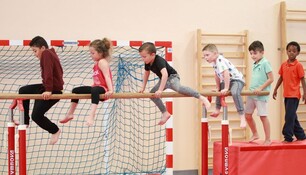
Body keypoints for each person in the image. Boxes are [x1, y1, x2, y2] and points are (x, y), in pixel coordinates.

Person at [138, 42, 211, 125]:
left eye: (144, 57)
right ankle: (165, 113)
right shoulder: (147, 63)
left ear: (153, 54)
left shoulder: (159, 60)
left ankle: (202, 98)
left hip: (172, 77)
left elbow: (165, 74)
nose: (143, 59)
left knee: (178, 88)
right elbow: (146, 74)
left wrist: (160, 90)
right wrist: (142, 87)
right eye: (141, 57)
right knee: (152, 94)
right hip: (163, 80)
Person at [18, 36, 64, 145]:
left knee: (36, 116)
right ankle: (25, 121)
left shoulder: (47, 53)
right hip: (47, 87)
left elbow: (48, 72)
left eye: (35, 51)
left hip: (53, 89)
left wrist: (48, 90)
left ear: (42, 47)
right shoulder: (51, 53)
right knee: (23, 91)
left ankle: (55, 130)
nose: (35, 54)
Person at [60, 38, 113, 126]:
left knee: (95, 89)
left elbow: (107, 77)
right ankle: (70, 113)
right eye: (90, 53)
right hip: (96, 88)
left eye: (93, 53)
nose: (91, 55)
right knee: (75, 90)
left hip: (104, 89)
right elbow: (98, 80)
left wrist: (110, 90)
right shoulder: (96, 63)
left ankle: (91, 115)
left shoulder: (102, 62)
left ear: (100, 53)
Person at [202, 44, 246, 128]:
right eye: (204, 56)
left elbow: (226, 74)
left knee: (235, 92)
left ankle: (242, 116)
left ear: (215, 53)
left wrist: (226, 88)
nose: (205, 58)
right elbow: (216, 75)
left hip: (237, 80)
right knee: (219, 91)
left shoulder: (220, 60)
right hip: (229, 80)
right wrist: (218, 87)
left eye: (207, 55)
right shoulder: (214, 62)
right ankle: (217, 109)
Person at [273, 41, 306, 143]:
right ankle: (301, 135)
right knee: (292, 116)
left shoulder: (298, 65)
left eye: (294, 51)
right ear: (287, 51)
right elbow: (281, 78)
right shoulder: (283, 65)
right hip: (286, 95)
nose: (291, 53)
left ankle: (288, 136)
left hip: (294, 95)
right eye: (289, 51)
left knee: (289, 116)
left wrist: (305, 93)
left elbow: (302, 79)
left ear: (298, 53)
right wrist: (275, 89)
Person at [245, 41, 273, 145]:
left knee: (263, 116)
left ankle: (268, 139)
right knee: (247, 115)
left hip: (261, 95)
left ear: (262, 52)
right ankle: (255, 133)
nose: (252, 56)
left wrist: (261, 88)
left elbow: (271, 79)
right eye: (251, 53)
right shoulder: (255, 64)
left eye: (255, 53)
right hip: (252, 94)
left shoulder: (265, 63)